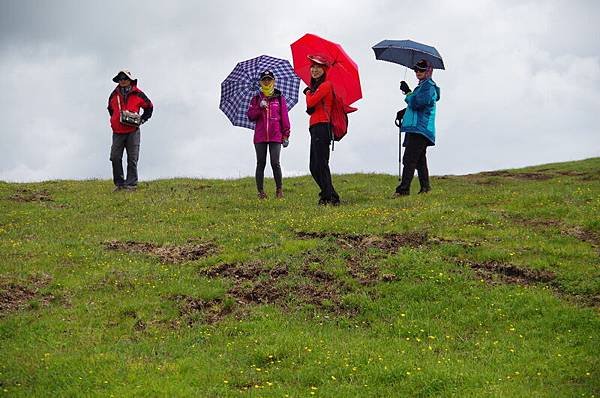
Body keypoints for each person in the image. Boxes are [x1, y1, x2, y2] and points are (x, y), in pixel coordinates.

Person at [394, 59, 440, 196]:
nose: (418, 72)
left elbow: (417, 103)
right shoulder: (422, 86)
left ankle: (403, 190)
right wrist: (404, 111)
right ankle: (425, 188)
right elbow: (416, 104)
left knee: (409, 159)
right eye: (416, 69)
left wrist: (408, 92)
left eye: (421, 69)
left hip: (420, 128)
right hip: (417, 128)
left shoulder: (428, 87)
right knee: (419, 160)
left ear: (429, 71)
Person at [247, 70, 291, 199]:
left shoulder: (279, 97)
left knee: (275, 162)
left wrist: (286, 134)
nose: (267, 82)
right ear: (260, 82)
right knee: (261, 163)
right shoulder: (256, 98)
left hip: (275, 135)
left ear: (273, 81)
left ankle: (279, 190)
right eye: (264, 80)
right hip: (260, 136)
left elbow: (284, 117)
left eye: (269, 79)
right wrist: (259, 107)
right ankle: (261, 192)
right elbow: (250, 116)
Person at [107, 69, 153, 191]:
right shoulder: (113, 95)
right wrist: (115, 120)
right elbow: (110, 109)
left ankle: (131, 184)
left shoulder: (138, 94)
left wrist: (142, 120)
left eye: (125, 78)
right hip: (117, 131)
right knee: (115, 157)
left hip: (133, 131)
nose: (122, 81)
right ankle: (120, 184)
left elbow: (149, 107)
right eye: (120, 79)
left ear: (130, 80)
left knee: (132, 159)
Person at [304, 55, 340, 206]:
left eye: (318, 67)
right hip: (315, 127)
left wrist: (307, 92)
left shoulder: (326, 85)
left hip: (322, 126)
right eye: (312, 66)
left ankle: (327, 197)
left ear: (324, 69)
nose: (314, 69)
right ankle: (330, 194)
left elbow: (311, 101)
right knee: (314, 166)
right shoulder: (317, 87)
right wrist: (311, 90)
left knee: (321, 164)